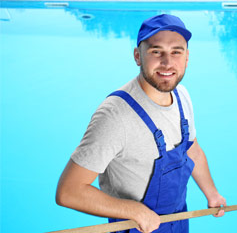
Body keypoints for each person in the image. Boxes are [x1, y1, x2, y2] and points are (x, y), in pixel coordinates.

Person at [56, 14, 226, 233]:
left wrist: (211, 193)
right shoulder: (115, 116)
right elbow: (69, 191)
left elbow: (191, 149)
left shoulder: (182, 96)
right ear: (138, 56)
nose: (167, 62)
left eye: (176, 52)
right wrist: (134, 211)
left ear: (187, 57)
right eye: (156, 51)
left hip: (178, 220)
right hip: (134, 227)